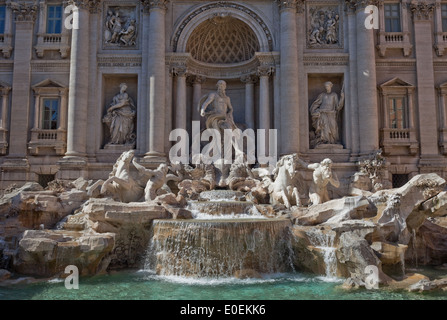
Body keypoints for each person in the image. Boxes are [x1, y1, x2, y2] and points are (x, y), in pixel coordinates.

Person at [310, 81, 344, 146]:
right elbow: (316, 104)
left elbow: (338, 106)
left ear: (331, 86)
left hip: (331, 114)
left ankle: (333, 141)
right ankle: (324, 141)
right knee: (324, 127)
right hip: (323, 114)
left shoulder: (334, 95)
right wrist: (315, 111)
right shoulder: (322, 95)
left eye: (328, 86)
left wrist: (342, 98)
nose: (327, 88)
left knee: (333, 128)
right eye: (326, 86)